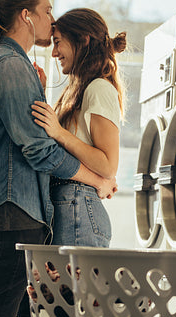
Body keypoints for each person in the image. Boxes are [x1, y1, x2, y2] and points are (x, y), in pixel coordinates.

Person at [0, 1, 116, 317]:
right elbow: (40, 150)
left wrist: (37, 88)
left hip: (15, 210)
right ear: (26, 16)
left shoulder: (11, 65)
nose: (52, 19)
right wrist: (97, 179)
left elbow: (37, 135)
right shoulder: (10, 66)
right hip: (15, 211)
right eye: (47, 10)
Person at [30, 8, 126, 247]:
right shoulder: (80, 90)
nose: (53, 53)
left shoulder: (99, 88)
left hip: (78, 209)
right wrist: (40, 92)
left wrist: (59, 133)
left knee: (72, 286)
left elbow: (108, 165)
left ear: (82, 40)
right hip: (71, 206)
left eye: (58, 43)